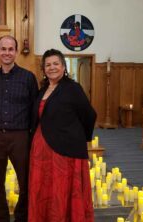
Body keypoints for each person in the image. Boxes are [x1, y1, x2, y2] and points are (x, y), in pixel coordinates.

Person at [28, 49, 96, 222]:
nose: (52, 68)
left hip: (65, 150)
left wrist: (81, 138)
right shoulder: (42, 89)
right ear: (43, 69)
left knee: (61, 189)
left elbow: (89, 115)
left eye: (56, 64)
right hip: (41, 149)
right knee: (44, 189)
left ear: (63, 66)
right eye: (48, 65)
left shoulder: (73, 88)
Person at [0, 35, 38, 222]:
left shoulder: (28, 77)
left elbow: (34, 108)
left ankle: (22, 216)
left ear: (16, 52)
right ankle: (1, 217)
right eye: (3, 49)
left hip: (20, 136)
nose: (7, 53)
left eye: (10, 49)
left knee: (25, 181)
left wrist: (31, 136)